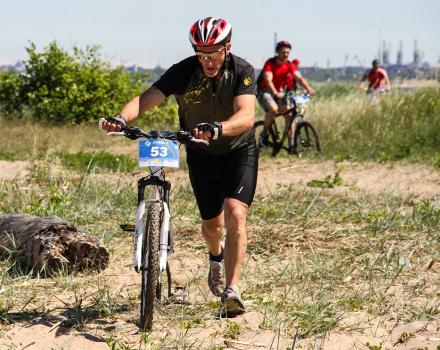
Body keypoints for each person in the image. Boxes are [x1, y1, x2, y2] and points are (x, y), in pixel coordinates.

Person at [100, 17, 257, 316]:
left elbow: (247, 116)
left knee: (235, 213)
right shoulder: (184, 71)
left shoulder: (242, 70)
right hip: (200, 153)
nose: (208, 60)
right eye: (201, 53)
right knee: (213, 227)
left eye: (214, 53)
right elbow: (146, 99)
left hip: (239, 150)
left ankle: (231, 290)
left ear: (228, 48)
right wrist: (121, 119)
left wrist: (219, 128)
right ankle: (216, 258)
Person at [257, 42, 314, 152]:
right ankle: (264, 134)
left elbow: (299, 78)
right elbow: (268, 80)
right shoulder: (270, 63)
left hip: (278, 91)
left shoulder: (289, 65)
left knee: (289, 114)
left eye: (288, 52)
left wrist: (308, 88)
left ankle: (291, 143)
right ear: (277, 52)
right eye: (283, 52)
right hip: (264, 90)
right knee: (273, 109)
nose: (286, 55)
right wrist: (275, 93)